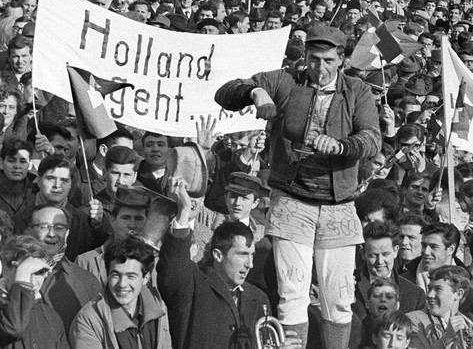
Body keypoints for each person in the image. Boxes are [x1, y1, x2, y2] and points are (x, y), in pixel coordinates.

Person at [215, 24, 381, 349]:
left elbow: (372, 138)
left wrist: (342, 146)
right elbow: (225, 92)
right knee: (292, 293)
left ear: (342, 60)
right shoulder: (287, 80)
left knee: (338, 297)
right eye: (315, 59)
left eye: (329, 61)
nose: (321, 68)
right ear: (306, 56)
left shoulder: (357, 91)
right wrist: (254, 92)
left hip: (338, 202)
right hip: (291, 198)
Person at [157, 176, 301, 349]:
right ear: (218, 255)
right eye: (241, 254)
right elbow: (174, 267)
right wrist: (184, 211)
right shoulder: (193, 284)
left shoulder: (259, 298)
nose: (249, 264)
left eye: (251, 255)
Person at [70, 236, 172, 349]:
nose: (122, 284)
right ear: (107, 275)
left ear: (146, 278)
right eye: (116, 275)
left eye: (131, 276)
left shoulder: (160, 309)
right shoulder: (89, 320)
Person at [27, 204, 102, 334]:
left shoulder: (87, 282)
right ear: (29, 232)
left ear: (67, 234)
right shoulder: (10, 274)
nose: (51, 234)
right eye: (43, 227)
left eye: (59, 228)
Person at [0, 235, 68, 348]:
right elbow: (13, 329)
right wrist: (23, 278)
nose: (32, 281)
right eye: (25, 271)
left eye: (39, 272)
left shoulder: (51, 316)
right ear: (6, 271)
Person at [406, 265, 473, 349]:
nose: (429, 295)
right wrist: (447, 338)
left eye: (438, 289)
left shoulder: (469, 325)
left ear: (459, 294)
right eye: (429, 289)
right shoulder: (413, 320)